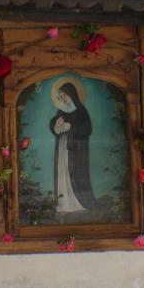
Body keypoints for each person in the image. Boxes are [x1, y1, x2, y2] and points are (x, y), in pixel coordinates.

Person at [49, 82, 97, 214]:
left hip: (76, 150)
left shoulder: (81, 111)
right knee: (63, 170)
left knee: (74, 172)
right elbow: (55, 125)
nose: (63, 98)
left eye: (64, 95)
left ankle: (77, 204)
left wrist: (71, 127)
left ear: (72, 95)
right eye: (61, 96)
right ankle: (64, 204)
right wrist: (56, 124)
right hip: (62, 147)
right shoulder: (61, 110)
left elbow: (87, 129)